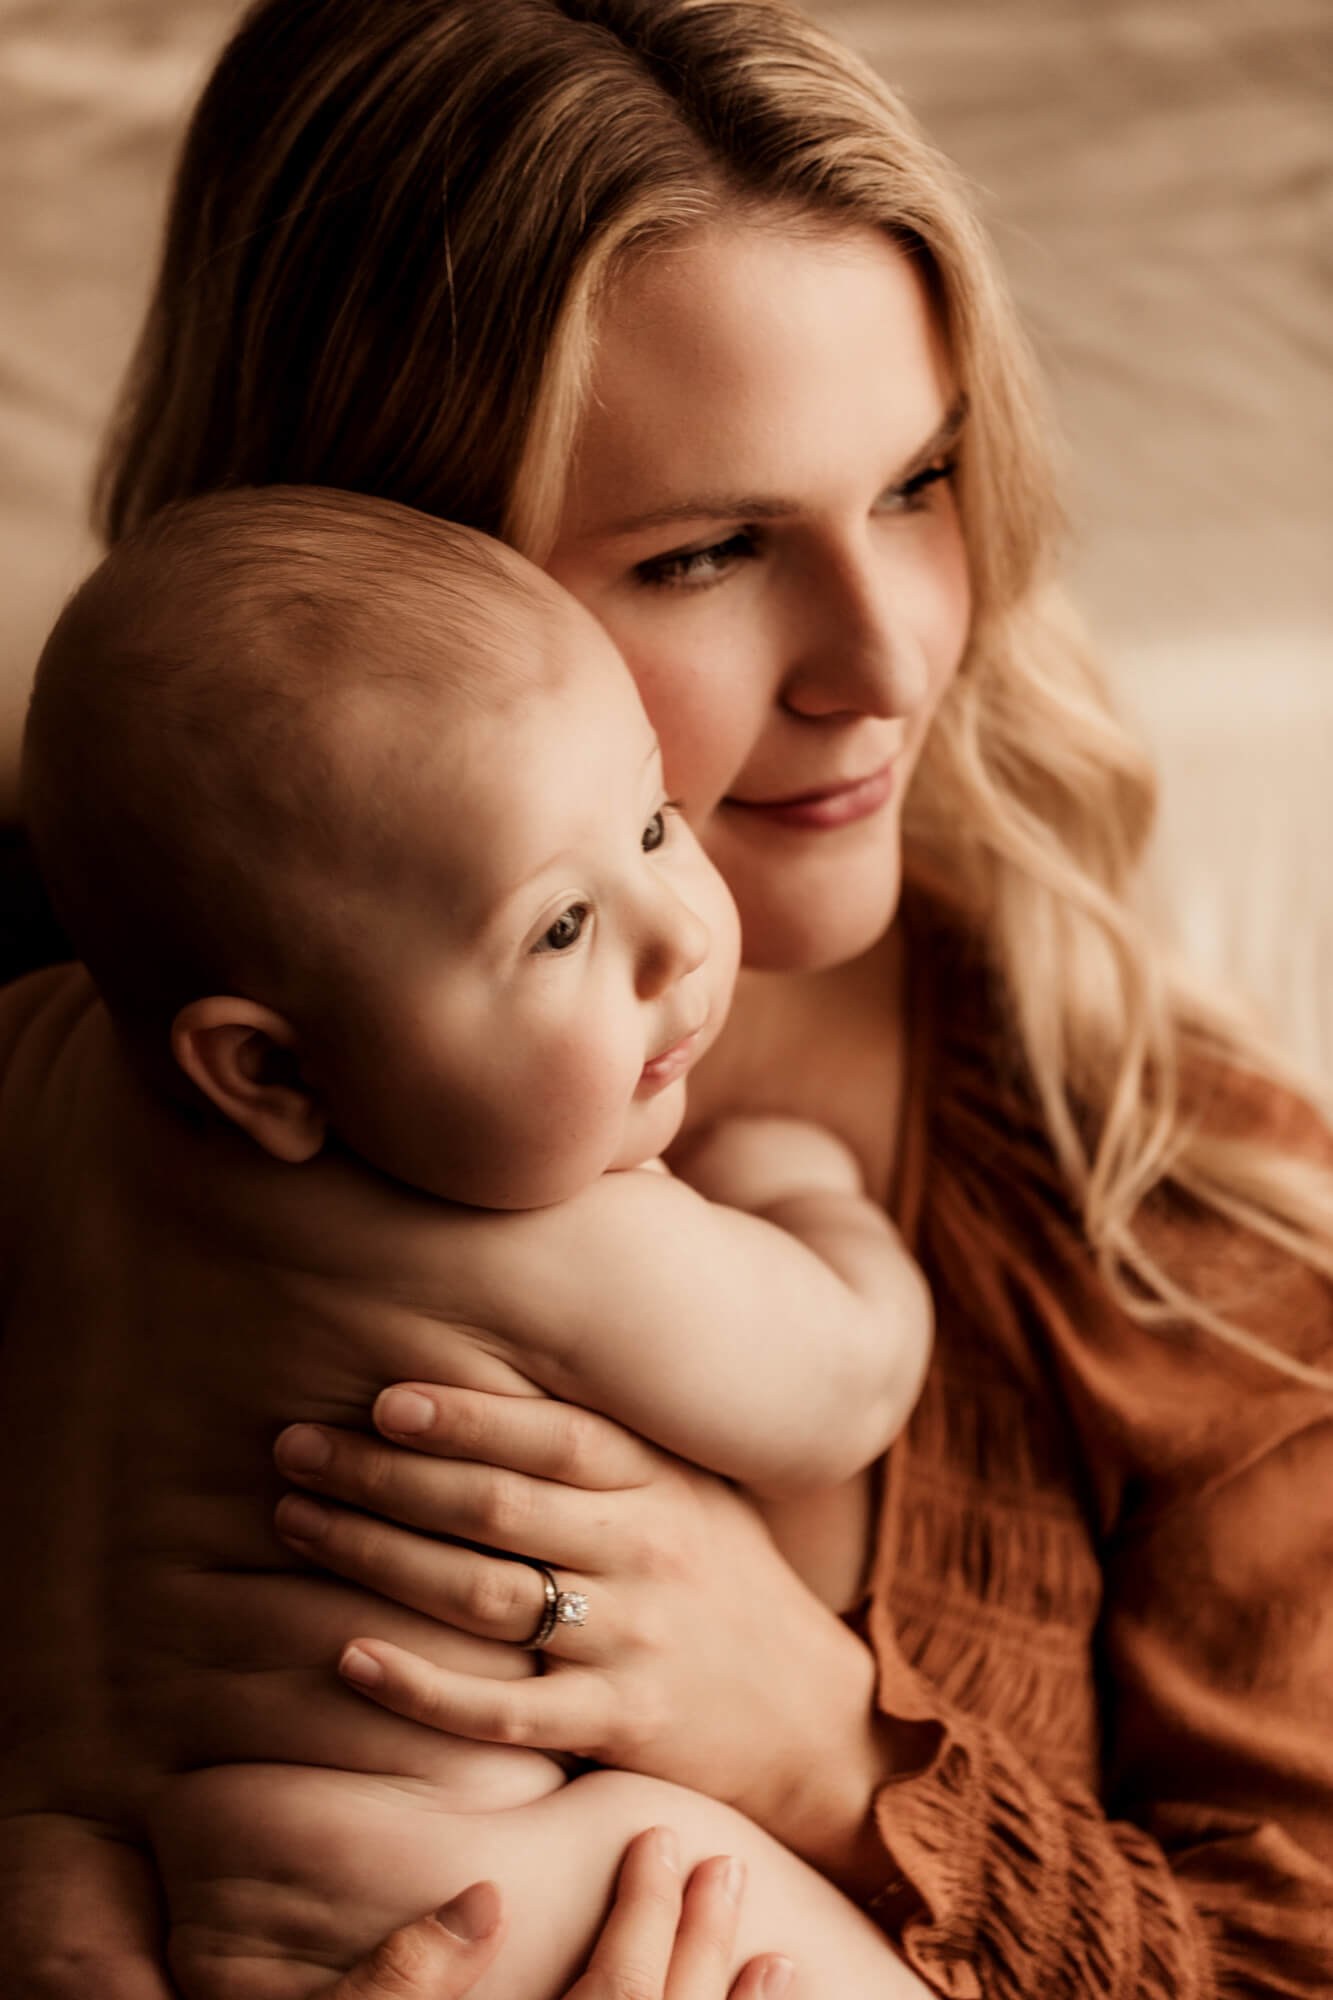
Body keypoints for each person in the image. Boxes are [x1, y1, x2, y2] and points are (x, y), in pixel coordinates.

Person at [1, 0, 1331, 1992]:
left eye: (919, 483)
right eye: (705, 553)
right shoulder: (69, 1027)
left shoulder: (1158, 1191)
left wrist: (818, 1743)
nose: (884, 661)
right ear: (393, 570)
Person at [12, 482, 931, 1995]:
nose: (679, 931)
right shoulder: (530, 1229)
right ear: (269, 1072)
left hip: (54, 1874)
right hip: (440, 1898)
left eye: (648, 822)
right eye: (560, 928)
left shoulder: (36, 1072)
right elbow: (839, 1390)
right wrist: (802, 1195)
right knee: (704, 1883)